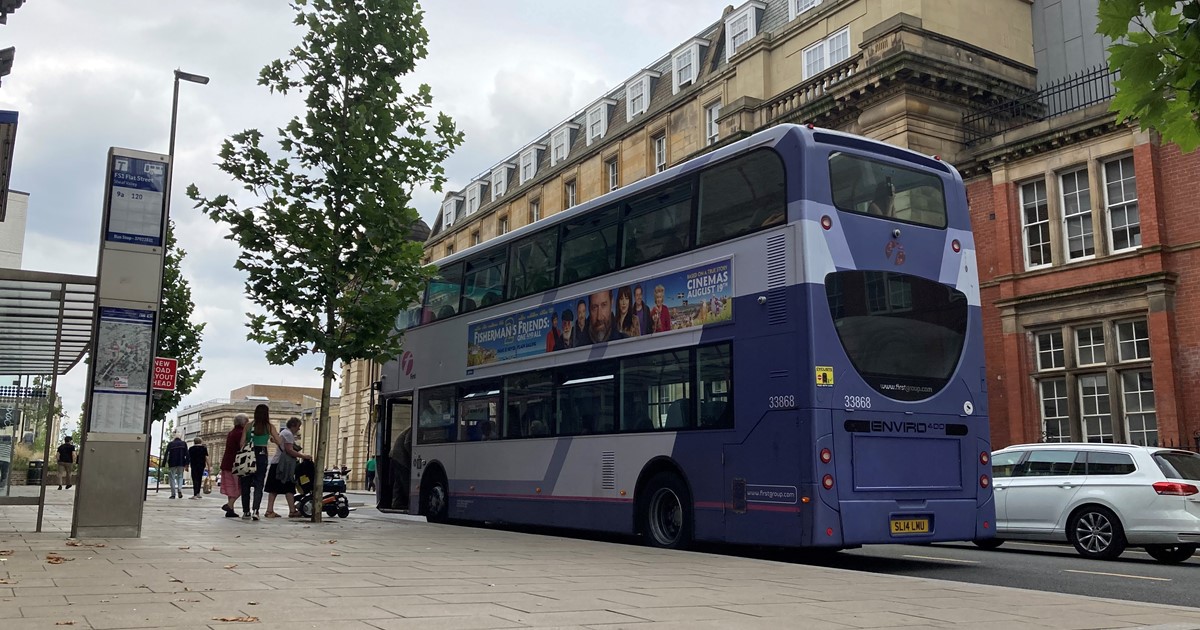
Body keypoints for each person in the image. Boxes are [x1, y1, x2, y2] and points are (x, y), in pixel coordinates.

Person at [239, 404, 281, 520]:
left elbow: (241, 443)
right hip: (262, 454)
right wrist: (272, 439)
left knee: (245, 484)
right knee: (259, 484)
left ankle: (246, 511)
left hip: (248, 454)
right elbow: (279, 441)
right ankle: (256, 510)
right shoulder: (269, 426)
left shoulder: (248, 425)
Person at [264, 417, 312, 519]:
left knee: (278, 488)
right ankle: (290, 511)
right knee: (288, 486)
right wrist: (304, 456)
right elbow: (289, 450)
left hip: (277, 463)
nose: (298, 429)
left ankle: (272, 510)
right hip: (283, 465)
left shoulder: (284, 432)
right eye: (298, 427)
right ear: (293, 425)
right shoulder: (288, 434)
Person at [219, 414, 248, 518]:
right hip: (236, 464)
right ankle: (229, 505)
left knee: (231, 487)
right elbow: (243, 447)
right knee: (239, 487)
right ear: (243, 423)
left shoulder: (231, 432)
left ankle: (230, 510)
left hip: (226, 463)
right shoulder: (241, 433)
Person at [389, 425, 412, 510]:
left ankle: (396, 503)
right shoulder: (413, 429)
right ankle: (409, 502)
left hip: (395, 455)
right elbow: (407, 443)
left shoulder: (409, 428)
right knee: (405, 480)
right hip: (400, 456)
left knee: (398, 481)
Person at [165, 435, 189, 499]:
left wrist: (164, 463)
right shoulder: (184, 443)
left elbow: (166, 453)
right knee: (180, 476)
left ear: (174, 438)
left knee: (172, 477)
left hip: (172, 462)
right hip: (181, 462)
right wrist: (187, 464)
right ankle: (179, 489)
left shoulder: (170, 444)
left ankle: (173, 494)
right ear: (180, 437)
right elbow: (187, 454)